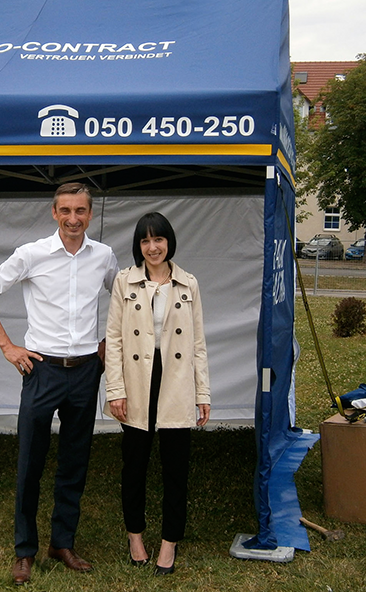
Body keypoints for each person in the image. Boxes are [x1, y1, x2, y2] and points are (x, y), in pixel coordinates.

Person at [0, 182, 118, 585]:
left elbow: (125, 298)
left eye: (80, 211)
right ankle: (24, 551)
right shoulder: (31, 254)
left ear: (90, 214)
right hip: (42, 371)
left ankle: (62, 543)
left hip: (86, 370)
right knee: (30, 463)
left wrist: (108, 343)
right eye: (65, 210)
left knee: (75, 461)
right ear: (54, 213)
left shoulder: (104, 256)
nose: (73, 218)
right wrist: (7, 346)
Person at [104, 211, 210, 576]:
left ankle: (169, 543)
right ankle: (135, 537)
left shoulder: (188, 283)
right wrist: (115, 389)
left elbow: (198, 344)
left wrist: (202, 393)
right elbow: (114, 340)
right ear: (139, 246)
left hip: (176, 381)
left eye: (159, 239)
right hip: (137, 381)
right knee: (134, 466)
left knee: (176, 469)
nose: (153, 247)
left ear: (169, 242)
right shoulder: (124, 282)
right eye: (145, 240)